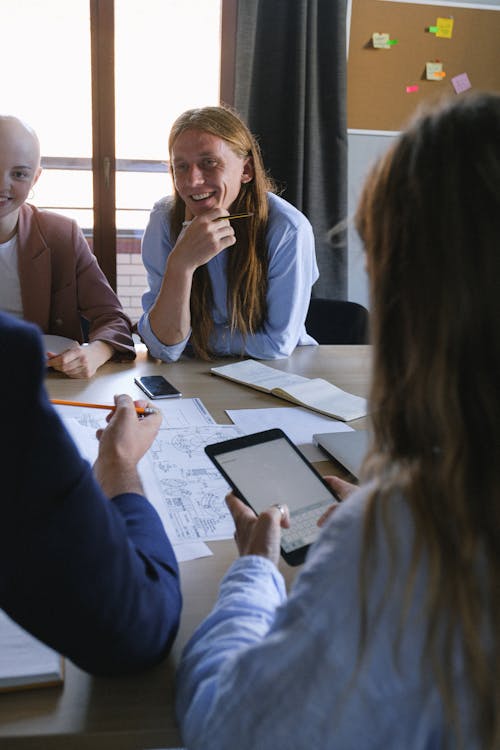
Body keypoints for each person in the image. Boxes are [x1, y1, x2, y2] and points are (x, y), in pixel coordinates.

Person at [175, 92, 500, 749]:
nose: (191, 182)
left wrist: (256, 569)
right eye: (178, 167)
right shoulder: (172, 221)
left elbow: (226, 728)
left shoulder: (407, 539)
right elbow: (169, 344)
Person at [0, 311, 181, 675]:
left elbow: (112, 316)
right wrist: (120, 464)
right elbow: (141, 627)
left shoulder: (62, 250)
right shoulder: (10, 359)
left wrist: (99, 349)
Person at [137, 105, 319, 362]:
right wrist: (181, 265)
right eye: (181, 167)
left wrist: (192, 339)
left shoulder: (288, 229)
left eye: (209, 163)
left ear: (246, 170)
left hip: (279, 373)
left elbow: (276, 344)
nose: (192, 181)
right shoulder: (163, 220)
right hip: (194, 372)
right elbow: (163, 348)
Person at [0, 115, 135, 378]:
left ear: (35, 178)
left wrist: (95, 353)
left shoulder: (60, 235)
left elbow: (113, 319)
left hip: (44, 383)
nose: (2, 184)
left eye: (19, 174)